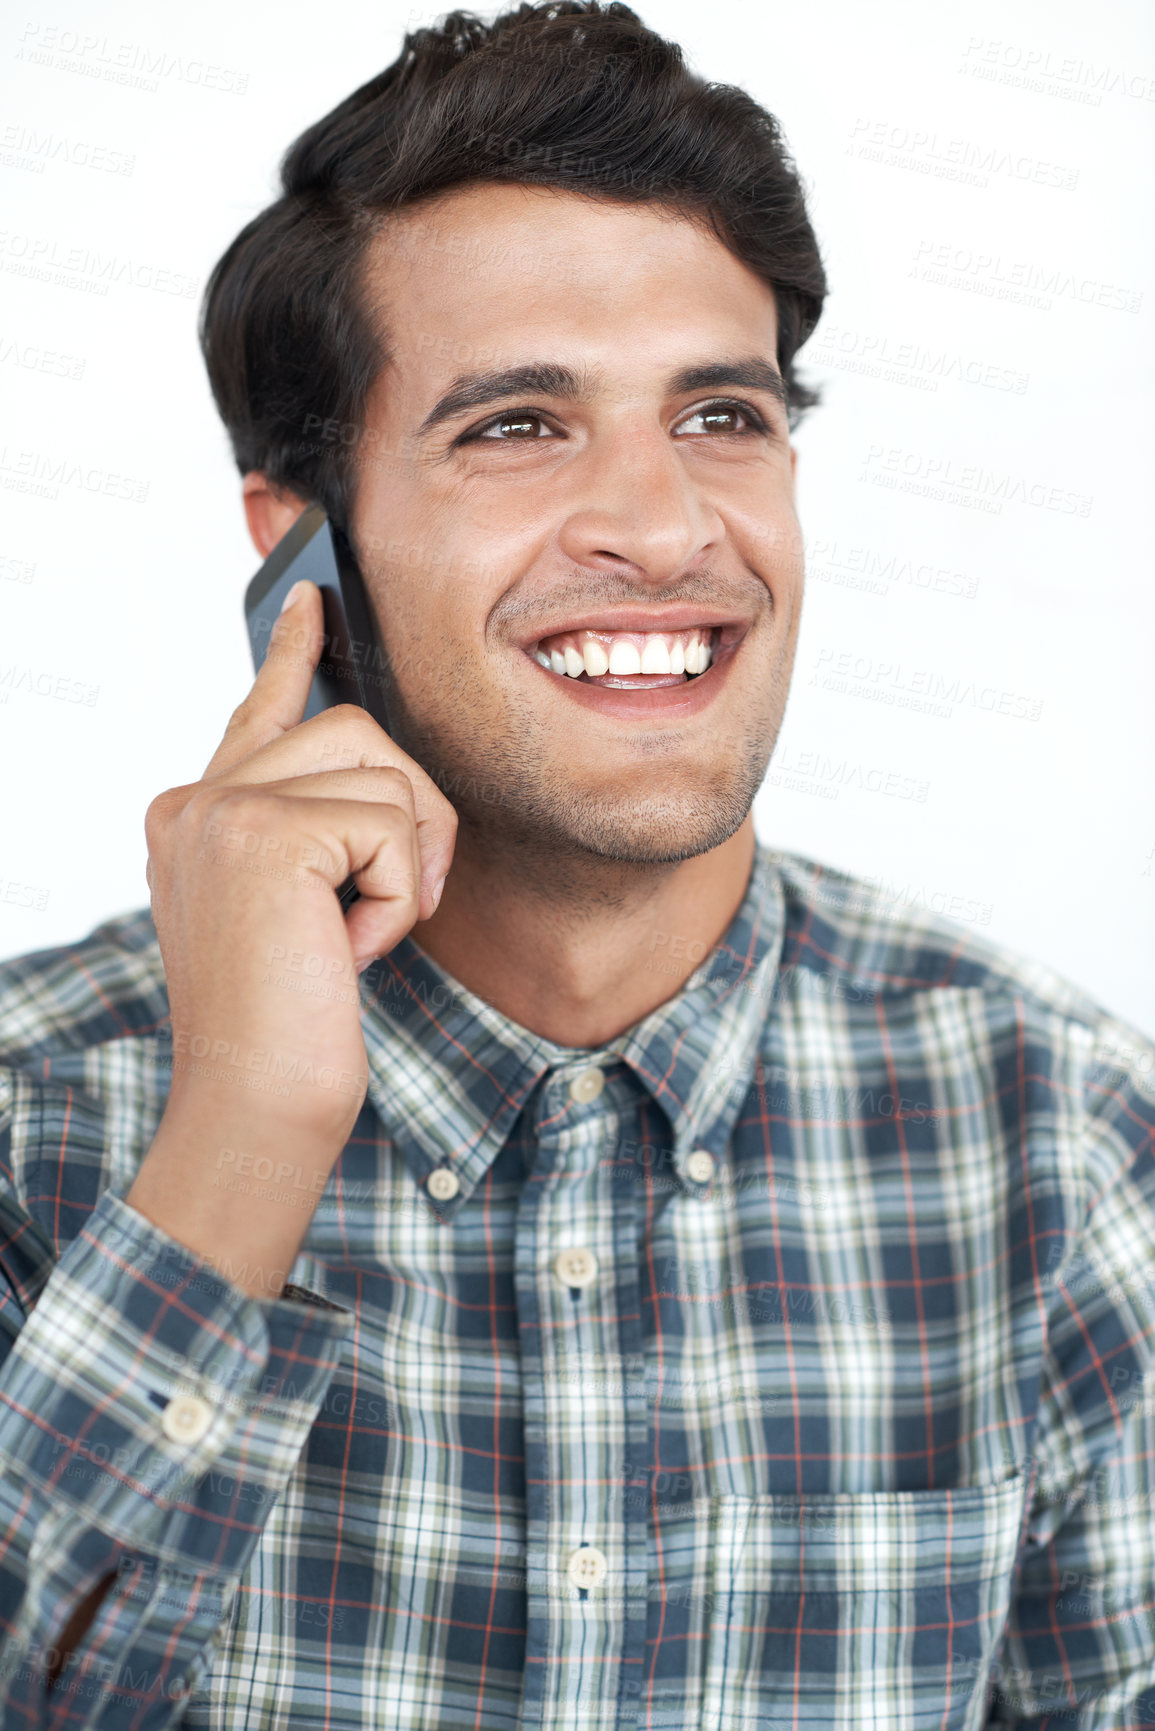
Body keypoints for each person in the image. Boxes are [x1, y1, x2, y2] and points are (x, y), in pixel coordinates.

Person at [1, 3, 1153, 1725]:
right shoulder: (40, 1124)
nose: (667, 526)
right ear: (299, 544)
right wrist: (243, 1126)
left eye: (722, 417)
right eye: (518, 427)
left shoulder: (1065, 1146)